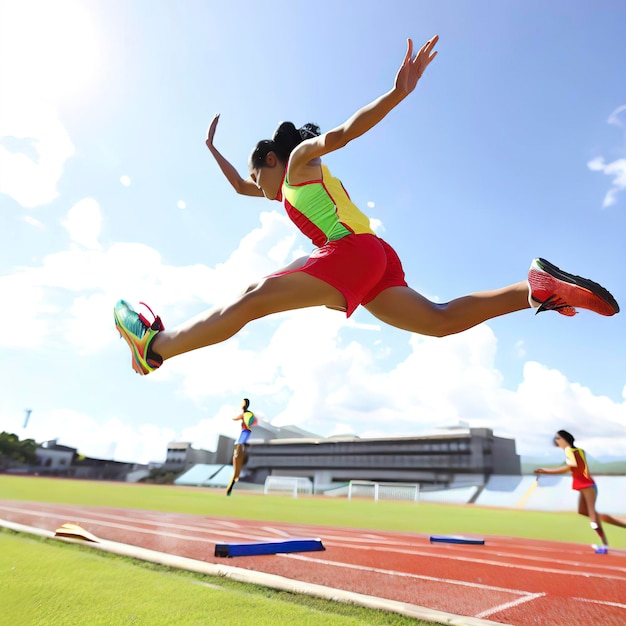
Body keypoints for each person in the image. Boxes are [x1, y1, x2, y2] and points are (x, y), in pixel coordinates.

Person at [113, 35, 619, 376]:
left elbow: (342, 132)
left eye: (255, 172)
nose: (255, 186)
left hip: (351, 252)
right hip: (377, 256)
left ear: (272, 158)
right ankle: (533, 288)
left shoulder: (298, 164)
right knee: (440, 321)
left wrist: (397, 93)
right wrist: (212, 152)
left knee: (249, 299)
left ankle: (155, 348)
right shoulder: (285, 187)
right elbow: (242, 191)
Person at [535, 430, 626, 554]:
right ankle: (610, 519)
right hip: (585, 485)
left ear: (564, 439)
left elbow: (570, 466)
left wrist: (546, 471)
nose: (555, 440)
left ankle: (604, 546)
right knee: (583, 511)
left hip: (587, 485)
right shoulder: (578, 451)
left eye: (557, 438)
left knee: (593, 519)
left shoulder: (570, 451)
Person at [226, 398, 255, 496]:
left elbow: (241, 419)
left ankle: (239, 452)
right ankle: (230, 487)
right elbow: (237, 418)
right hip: (243, 437)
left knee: (239, 446)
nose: (241, 404)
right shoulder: (244, 414)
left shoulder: (247, 414)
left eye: (242, 403)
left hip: (245, 433)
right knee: (236, 473)